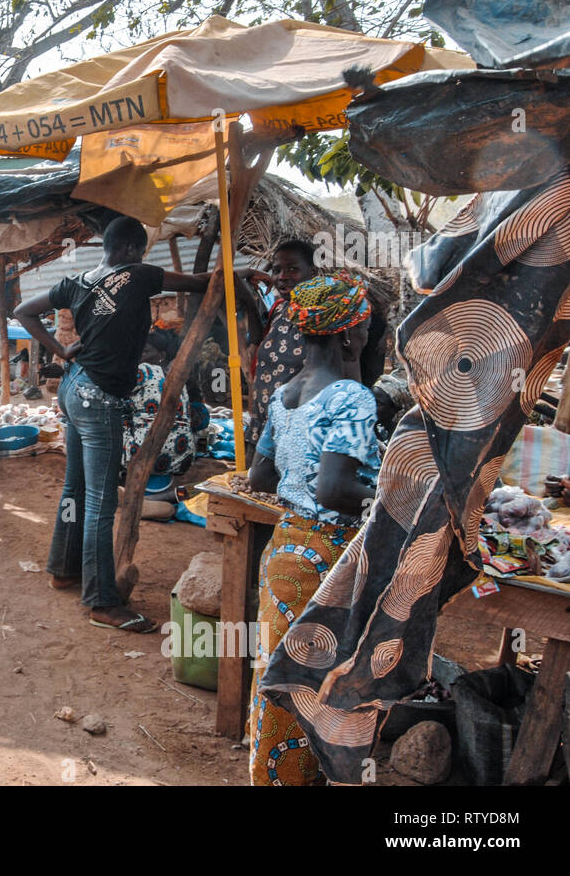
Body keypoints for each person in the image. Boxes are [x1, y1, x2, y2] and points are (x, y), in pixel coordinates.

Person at [17, 216, 215, 631]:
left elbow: (24, 311)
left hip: (73, 389)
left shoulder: (76, 281)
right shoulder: (138, 275)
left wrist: (61, 351)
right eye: (140, 251)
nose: (141, 258)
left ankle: (64, 568)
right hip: (99, 397)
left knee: (76, 488)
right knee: (102, 503)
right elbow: (198, 283)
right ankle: (102, 602)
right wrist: (234, 275)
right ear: (129, 250)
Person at [246, 273, 380, 787]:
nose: (367, 336)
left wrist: (298, 472)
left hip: (284, 549)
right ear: (347, 335)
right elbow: (333, 491)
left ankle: (271, 776)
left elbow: (260, 476)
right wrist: (388, 498)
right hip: (329, 559)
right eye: (364, 327)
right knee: (318, 685)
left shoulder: (285, 396)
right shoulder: (351, 397)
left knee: (277, 675)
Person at [242, 239, 316, 453]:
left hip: (295, 429)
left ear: (311, 272)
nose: (282, 277)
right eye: (277, 270)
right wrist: (249, 271)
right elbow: (224, 278)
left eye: (292, 269)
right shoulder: (278, 309)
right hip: (261, 422)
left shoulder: (320, 316)